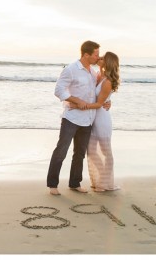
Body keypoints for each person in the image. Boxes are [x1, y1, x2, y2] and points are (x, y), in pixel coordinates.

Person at [47, 41, 101, 195]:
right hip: (71, 118)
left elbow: (95, 93)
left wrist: (106, 101)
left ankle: (75, 183)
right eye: (96, 54)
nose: (98, 57)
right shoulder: (71, 69)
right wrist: (76, 101)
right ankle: (52, 184)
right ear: (86, 54)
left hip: (88, 119)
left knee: (79, 153)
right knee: (61, 151)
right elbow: (58, 90)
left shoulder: (93, 72)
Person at [72, 52, 121, 192]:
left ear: (108, 62)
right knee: (91, 150)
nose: (99, 58)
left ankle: (105, 183)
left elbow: (99, 103)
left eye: (103, 57)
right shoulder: (99, 75)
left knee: (106, 152)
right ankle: (102, 178)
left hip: (102, 119)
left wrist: (79, 105)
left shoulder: (108, 82)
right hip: (92, 118)